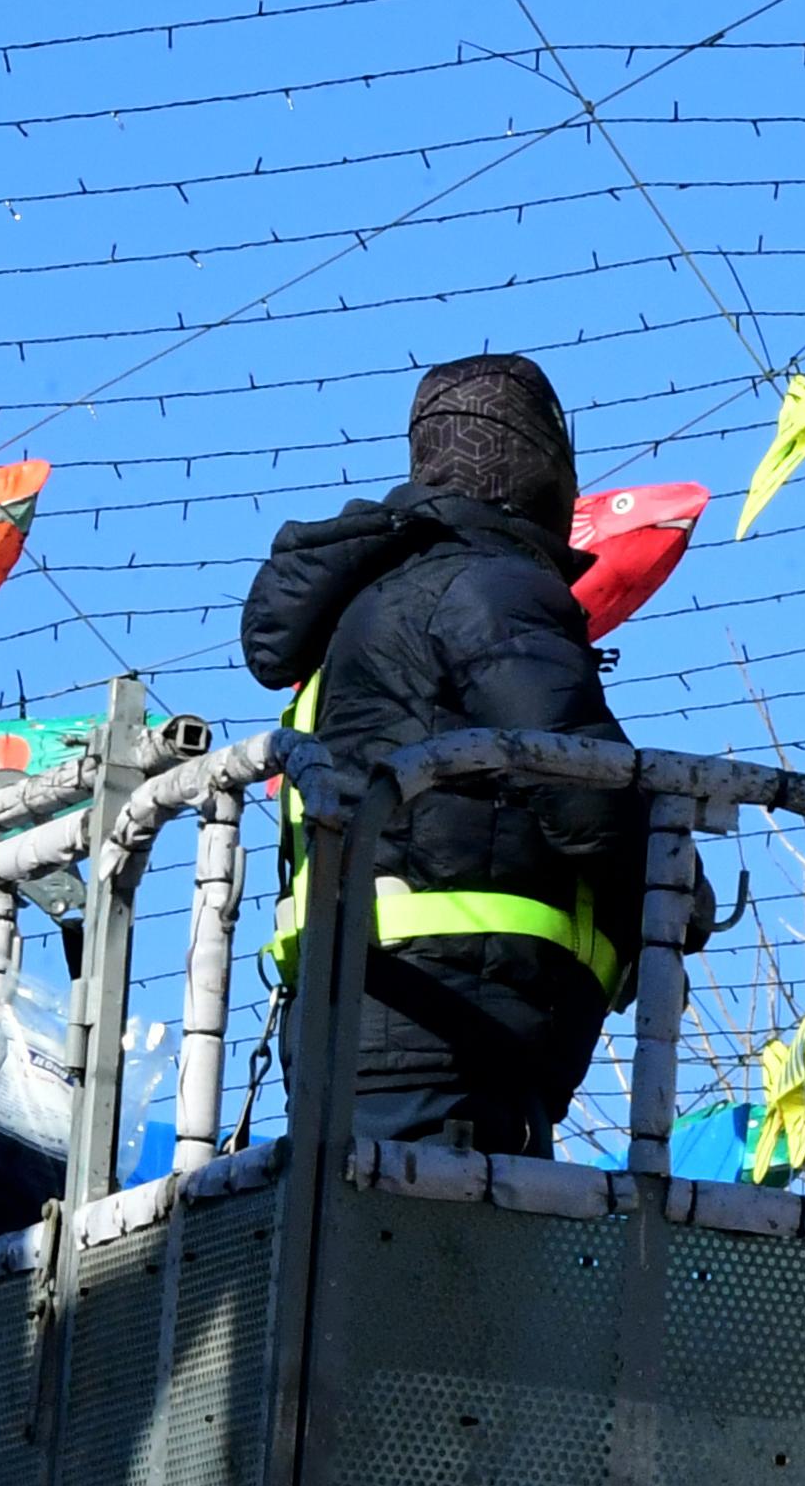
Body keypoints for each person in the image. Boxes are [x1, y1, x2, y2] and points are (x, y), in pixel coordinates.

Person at [233, 352, 644, 1155]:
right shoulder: (487, 587)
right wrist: (670, 877)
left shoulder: (377, 600)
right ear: (542, 468)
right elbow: (589, 796)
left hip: (372, 1031)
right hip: (448, 1035)